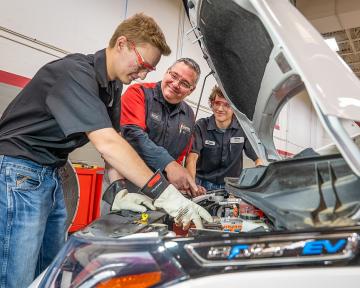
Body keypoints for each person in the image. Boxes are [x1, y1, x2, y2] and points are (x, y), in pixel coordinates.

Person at [0, 13, 211, 288]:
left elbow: (113, 144)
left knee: (50, 271)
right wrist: (164, 193)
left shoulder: (111, 87)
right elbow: (107, 144)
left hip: (51, 174)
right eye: (143, 64)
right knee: (16, 277)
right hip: (19, 172)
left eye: (149, 69)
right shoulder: (74, 73)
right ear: (122, 43)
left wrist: (118, 190)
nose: (144, 74)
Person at [105, 58, 203, 206]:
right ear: (166, 72)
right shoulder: (138, 93)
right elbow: (133, 136)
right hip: (124, 185)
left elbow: (179, 157)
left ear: (192, 89)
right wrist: (169, 165)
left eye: (184, 83)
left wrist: (184, 183)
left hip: (160, 191)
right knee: (119, 227)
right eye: (174, 76)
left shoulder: (189, 115)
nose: (176, 84)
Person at [186, 85, 262, 191]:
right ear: (212, 104)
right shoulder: (201, 126)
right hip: (202, 184)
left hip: (231, 187)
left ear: (234, 108)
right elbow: (192, 158)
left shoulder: (243, 129)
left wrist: (257, 182)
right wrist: (192, 185)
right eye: (217, 103)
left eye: (227, 105)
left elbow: (258, 159)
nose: (220, 109)